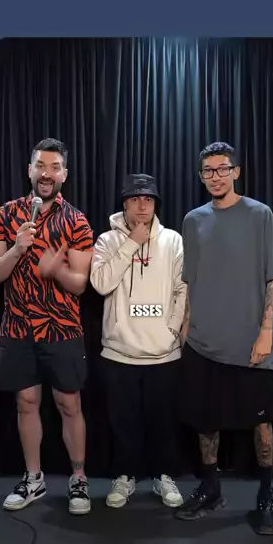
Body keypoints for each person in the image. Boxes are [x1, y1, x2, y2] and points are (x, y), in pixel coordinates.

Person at [176, 142, 273, 533]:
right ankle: (211, 489)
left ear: (236, 171)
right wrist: (184, 329)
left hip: (249, 342)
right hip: (202, 341)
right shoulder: (193, 220)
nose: (216, 177)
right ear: (201, 176)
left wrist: (267, 331)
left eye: (222, 169)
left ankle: (266, 494)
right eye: (208, 171)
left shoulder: (260, 214)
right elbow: (190, 281)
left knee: (262, 424)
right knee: (205, 422)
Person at [0, 138, 93, 515]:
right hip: (18, 328)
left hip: (62, 329)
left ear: (64, 174)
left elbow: (80, 284)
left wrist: (57, 271)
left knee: (69, 403)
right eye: (40, 166)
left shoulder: (77, 221)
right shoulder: (5, 215)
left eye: (54, 167)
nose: (46, 173)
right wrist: (18, 249)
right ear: (29, 170)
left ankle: (78, 478)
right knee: (26, 402)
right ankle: (33, 478)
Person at [90, 174, 186, 509]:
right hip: (120, 351)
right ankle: (124, 476)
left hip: (163, 353)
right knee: (122, 422)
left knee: (163, 422)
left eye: (148, 199)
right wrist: (131, 242)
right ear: (124, 203)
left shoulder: (173, 240)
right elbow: (101, 283)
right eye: (135, 199)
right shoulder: (106, 240)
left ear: (156, 203)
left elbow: (182, 288)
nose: (142, 206)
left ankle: (164, 476)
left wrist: (171, 330)